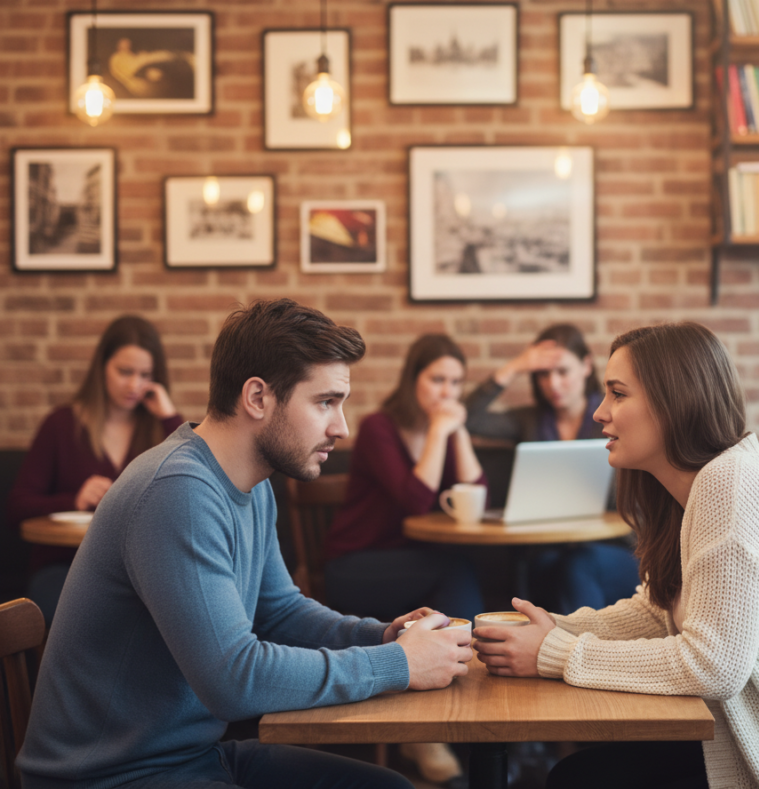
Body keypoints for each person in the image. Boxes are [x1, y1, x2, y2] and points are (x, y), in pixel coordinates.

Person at [17, 299, 472, 789]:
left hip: (189, 757)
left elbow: (278, 612)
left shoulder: (252, 486)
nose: (341, 426)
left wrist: (382, 637)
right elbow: (234, 680)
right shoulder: (177, 491)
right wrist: (399, 664)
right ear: (257, 397)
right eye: (325, 402)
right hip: (110, 777)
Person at [474, 322, 759, 789]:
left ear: (672, 402)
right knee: (580, 776)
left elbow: (712, 666)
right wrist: (557, 629)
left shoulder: (729, 483)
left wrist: (554, 653)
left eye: (617, 394)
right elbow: (656, 613)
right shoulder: (695, 487)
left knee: (579, 781)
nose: (599, 413)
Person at [323, 333, 485, 789]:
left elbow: (478, 494)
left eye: (455, 382)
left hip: (414, 564)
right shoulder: (379, 427)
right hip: (356, 565)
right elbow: (416, 501)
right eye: (437, 379)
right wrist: (439, 431)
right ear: (414, 378)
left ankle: (435, 725)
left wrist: (462, 433)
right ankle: (460, 708)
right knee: (455, 570)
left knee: (457, 569)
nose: (447, 393)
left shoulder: (448, 430)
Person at [7, 315, 183, 625]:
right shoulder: (61, 425)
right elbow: (17, 506)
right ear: (101, 366)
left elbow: (190, 492)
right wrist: (74, 500)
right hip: (64, 567)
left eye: (145, 375)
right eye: (124, 372)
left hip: (138, 571)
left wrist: (169, 417)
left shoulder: (159, 432)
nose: (134, 385)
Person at [465, 323, 639, 613]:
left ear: (585, 366)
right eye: (543, 374)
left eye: (562, 372)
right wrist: (516, 367)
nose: (553, 384)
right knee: (543, 566)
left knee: (579, 564)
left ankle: (578, 652)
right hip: (547, 550)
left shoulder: (615, 417)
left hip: (611, 546)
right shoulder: (530, 420)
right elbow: (467, 418)